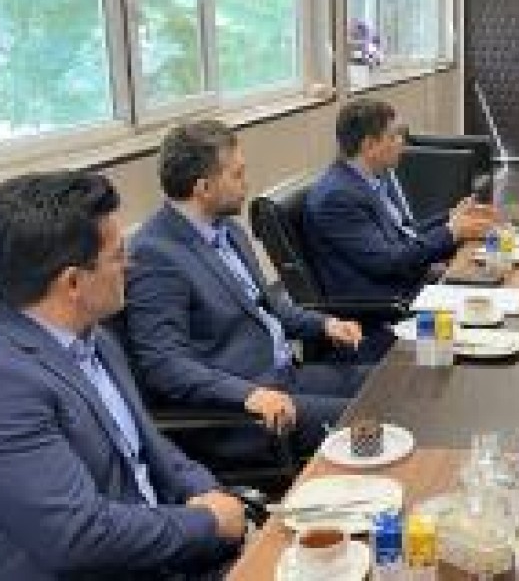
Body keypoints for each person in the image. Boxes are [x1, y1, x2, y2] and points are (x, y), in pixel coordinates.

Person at [0, 172, 244, 580]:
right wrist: (207, 523)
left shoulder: (96, 338)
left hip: (160, 549)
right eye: (118, 256)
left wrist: (207, 492)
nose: (130, 266)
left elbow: (148, 446)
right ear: (72, 282)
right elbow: (78, 536)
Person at [125, 121, 367, 460]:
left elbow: (265, 307)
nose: (247, 183)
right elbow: (165, 364)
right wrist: (248, 395)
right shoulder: (155, 254)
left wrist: (325, 324)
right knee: (373, 423)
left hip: (286, 377)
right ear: (204, 187)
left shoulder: (228, 230)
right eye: (237, 175)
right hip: (243, 412)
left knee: (387, 387)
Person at [303, 98, 497, 313]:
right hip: (385, 307)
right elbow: (388, 262)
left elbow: (404, 234)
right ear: (369, 146)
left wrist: (451, 218)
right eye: (393, 136)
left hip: (409, 286)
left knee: (492, 287)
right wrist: (451, 232)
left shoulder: (367, 181)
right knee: (489, 305)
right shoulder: (337, 197)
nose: (401, 143)